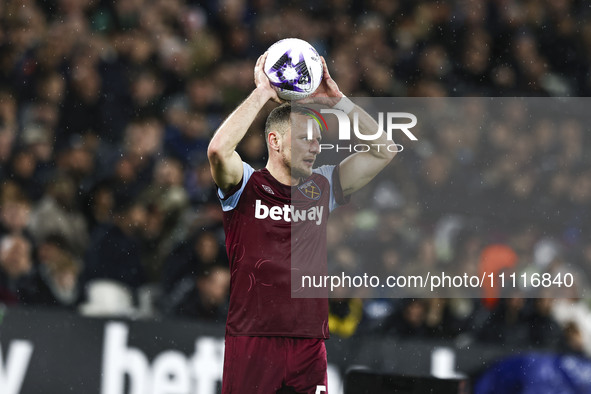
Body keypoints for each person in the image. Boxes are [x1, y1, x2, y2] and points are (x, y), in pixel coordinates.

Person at [207, 51, 396, 394]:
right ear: (275, 141)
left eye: (319, 139)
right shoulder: (245, 186)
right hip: (253, 341)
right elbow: (219, 150)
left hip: (309, 343)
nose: (316, 146)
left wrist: (340, 103)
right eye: (306, 137)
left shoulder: (320, 187)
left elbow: (385, 149)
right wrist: (263, 92)